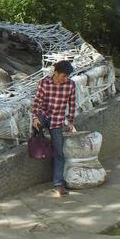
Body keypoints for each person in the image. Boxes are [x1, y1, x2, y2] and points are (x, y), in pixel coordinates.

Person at [32, 60, 76, 197]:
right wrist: (35, 117)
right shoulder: (44, 83)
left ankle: (58, 184)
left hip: (57, 121)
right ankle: (37, 143)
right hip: (44, 116)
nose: (65, 79)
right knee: (37, 128)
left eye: (67, 76)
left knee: (59, 152)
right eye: (63, 76)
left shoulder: (70, 85)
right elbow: (37, 102)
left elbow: (72, 104)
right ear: (55, 73)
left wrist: (70, 122)